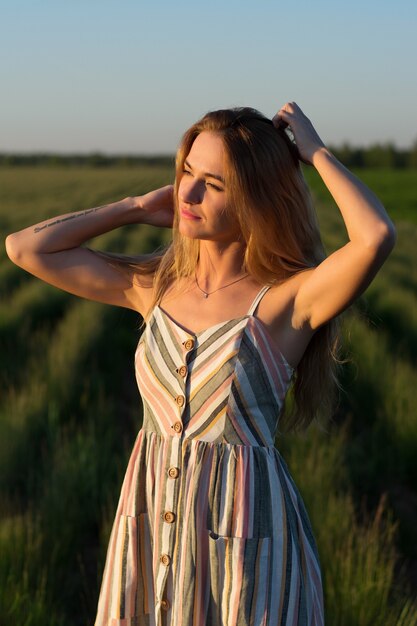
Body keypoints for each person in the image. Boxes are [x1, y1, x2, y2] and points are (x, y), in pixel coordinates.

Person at [5, 102, 396, 625]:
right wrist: (136, 206)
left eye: (213, 183)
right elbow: (26, 249)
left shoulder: (285, 302)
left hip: (247, 550)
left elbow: (375, 237)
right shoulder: (154, 286)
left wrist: (315, 152)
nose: (187, 193)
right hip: (150, 535)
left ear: (255, 199)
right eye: (186, 171)